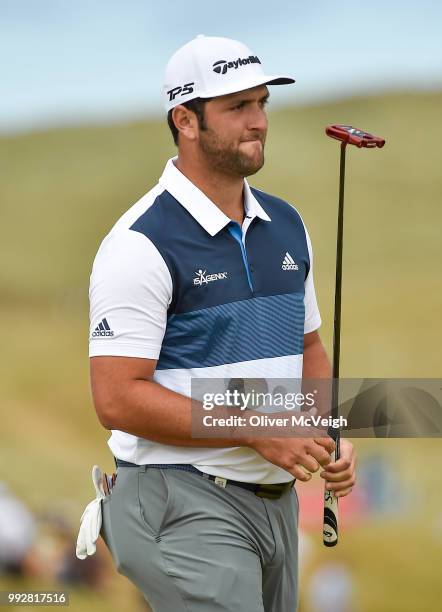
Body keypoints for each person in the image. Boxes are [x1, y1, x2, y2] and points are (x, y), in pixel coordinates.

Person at [87, 35, 356, 612]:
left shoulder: (286, 224)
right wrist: (255, 427)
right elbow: (116, 398)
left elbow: (308, 347)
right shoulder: (139, 244)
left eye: (261, 103)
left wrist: (322, 428)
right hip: (179, 496)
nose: (258, 121)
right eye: (237, 107)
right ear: (185, 119)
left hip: (276, 501)